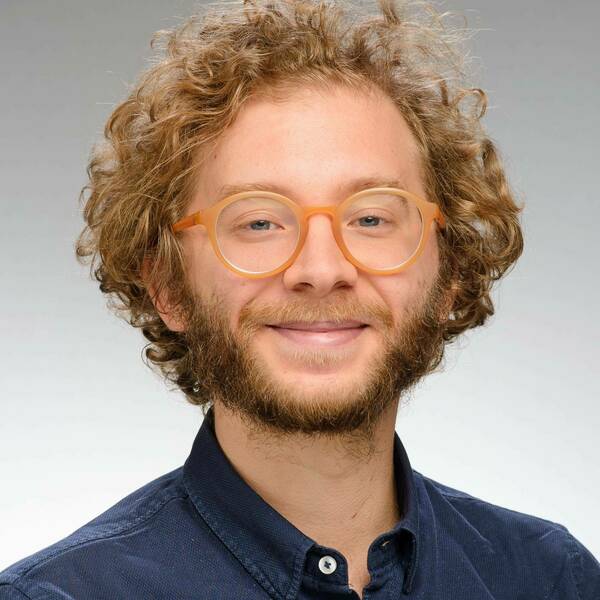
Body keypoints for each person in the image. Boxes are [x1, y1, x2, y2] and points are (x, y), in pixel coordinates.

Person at [1, 0, 598, 598]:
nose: (321, 269)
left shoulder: (553, 579)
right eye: (259, 222)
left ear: (452, 276)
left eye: (370, 217)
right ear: (167, 288)